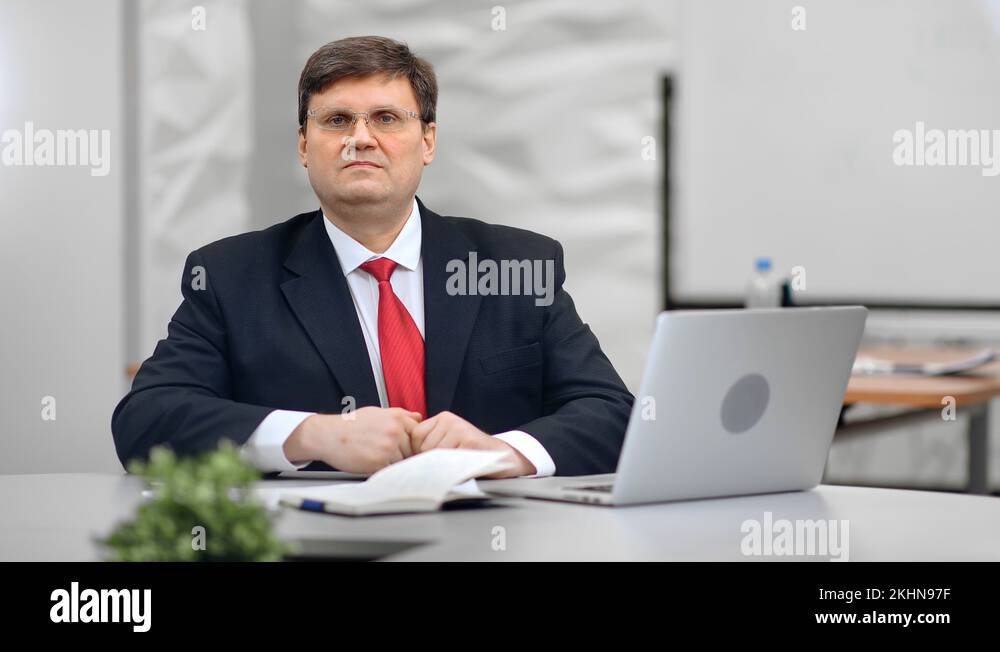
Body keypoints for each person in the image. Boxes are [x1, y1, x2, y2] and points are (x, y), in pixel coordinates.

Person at [112, 35, 633, 478]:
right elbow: (146, 419)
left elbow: (614, 414)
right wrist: (313, 435)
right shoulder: (231, 277)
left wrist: (503, 453)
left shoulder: (514, 265)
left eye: (386, 118)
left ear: (427, 140)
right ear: (303, 146)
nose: (360, 139)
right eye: (337, 120)